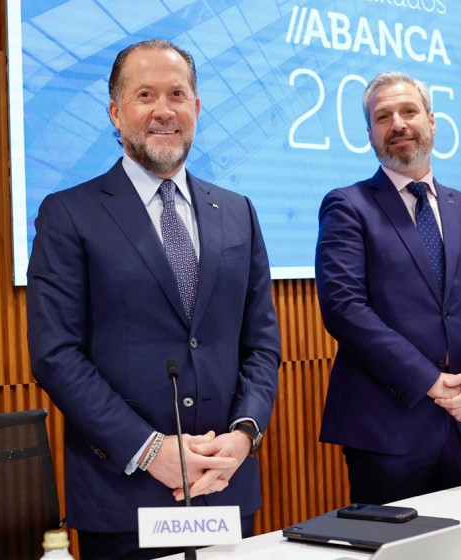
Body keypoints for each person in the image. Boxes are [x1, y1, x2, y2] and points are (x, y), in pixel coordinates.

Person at [27, 39, 281, 560]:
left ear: (196, 109)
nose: (164, 110)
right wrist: (149, 451)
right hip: (125, 495)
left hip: (226, 484)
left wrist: (244, 436)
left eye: (177, 95)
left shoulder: (238, 212)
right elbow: (56, 354)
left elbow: (261, 343)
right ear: (116, 114)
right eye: (145, 95)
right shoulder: (69, 214)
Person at [315, 71, 461, 505]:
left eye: (408, 111)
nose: (398, 124)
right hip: (389, 429)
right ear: (369, 134)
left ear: (432, 120)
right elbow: (344, 309)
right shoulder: (347, 206)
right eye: (383, 117)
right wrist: (429, 381)